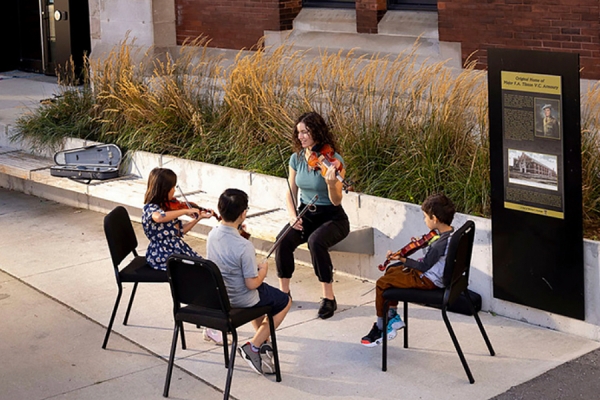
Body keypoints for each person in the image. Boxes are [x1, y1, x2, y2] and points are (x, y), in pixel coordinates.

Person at [207, 188, 291, 375]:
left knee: (263, 296)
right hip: (241, 298)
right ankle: (253, 346)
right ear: (243, 214)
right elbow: (251, 284)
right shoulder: (244, 246)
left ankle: (264, 340)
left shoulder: (212, 234)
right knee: (284, 301)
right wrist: (263, 271)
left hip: (221, 294)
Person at [275, 111, 350, 320]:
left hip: (332, 217)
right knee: (283, 240)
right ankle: (284, 294)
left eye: (305, 132)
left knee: (316, 242)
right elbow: (291, 192)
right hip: (306, 212)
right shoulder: (296, 159)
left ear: (317, 132)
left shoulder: (334, 161)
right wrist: (293, 216)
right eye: (299, 132)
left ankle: (328, 298)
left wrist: (330, 182)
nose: (301, 137)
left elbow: (336, 201)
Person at [361, 193, 456, 347]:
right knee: (392, 270)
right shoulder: (451, 234)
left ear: (435, 219)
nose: (424, 220)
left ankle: (380, 327)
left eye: (425, 217)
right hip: (437, 276)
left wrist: (402, 259)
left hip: (427, 280)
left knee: (381, 283)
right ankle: (392, 316)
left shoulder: (440, 244)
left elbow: (423, 266)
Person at [142, 168, 223, 345]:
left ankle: (208, 321)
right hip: (163, 255)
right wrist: (185, 211)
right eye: (172, 188)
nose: (174, 192)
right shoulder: (151, 209)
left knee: (208, 271)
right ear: (163, 189)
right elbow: (159, 217)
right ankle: (208, 324)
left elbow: (179, 231)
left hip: (175, 248)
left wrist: (198, 218)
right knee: (202, 276)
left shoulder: (168, 206)